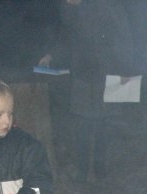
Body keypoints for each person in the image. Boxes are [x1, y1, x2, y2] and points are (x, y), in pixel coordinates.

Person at [39, 0, 136, 183]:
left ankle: (100, 170)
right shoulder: (74, 9)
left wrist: (126, 70)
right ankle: (82, 171)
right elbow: (67, 35)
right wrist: (51, 55)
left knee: (103, 124)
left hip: (107, 73)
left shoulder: (109, 6)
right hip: (83, 75)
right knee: (83, 124)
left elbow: (123, 38)